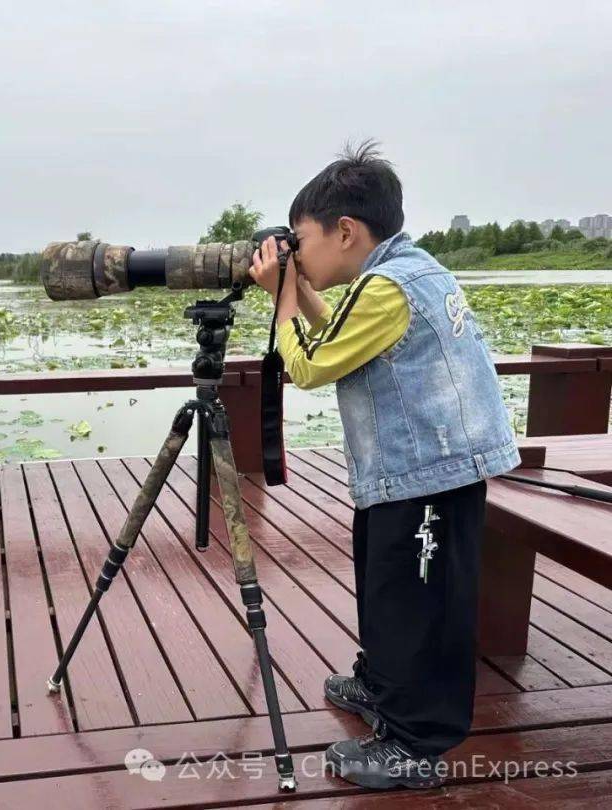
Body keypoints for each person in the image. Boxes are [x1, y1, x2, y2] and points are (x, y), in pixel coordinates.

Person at [249, 139, 521, 790]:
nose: (298, 253)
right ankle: (381, 687)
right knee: (388, 590)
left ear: (345, 232)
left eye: (302, 239)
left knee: (420, 608)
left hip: (431, 478)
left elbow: (311, 365)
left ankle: (416, 745)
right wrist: (298, 291)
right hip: (412, 475)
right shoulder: (407, 271)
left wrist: (283, 296)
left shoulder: (391, 290)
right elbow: (340, 336)